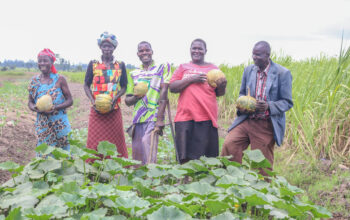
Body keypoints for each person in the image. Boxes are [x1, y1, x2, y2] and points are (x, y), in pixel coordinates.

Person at [221, 41, 293, 174]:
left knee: (261, 162)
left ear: (267, 55)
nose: (254, 57)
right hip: (247, 120)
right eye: (253, 54)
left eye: (258, 55)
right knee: (230, 145)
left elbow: (287, 102)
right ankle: (231, 180)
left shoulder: (282, 73)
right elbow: (242, 93)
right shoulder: (249, 70)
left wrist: (268, 106)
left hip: (265, 124)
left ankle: (262, 190)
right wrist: (242, 105)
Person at [169, 38, 227, 164]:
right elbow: (172, 87)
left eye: (200, 48)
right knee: (184, 154)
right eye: (194, 48)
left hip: (205, 115)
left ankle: (201, 180)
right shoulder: (183, 67)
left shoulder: (214, 69)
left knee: (204, 154)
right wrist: (191, 79)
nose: (197, 51)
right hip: (185, 115)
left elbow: (219, 93)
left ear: (205, 50)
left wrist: (222, 85)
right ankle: (185, 179)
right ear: (190, 50)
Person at [125, 41, 172, 164]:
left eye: (147, 50)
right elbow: (127, 101)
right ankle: (140, 180)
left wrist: (160, 118)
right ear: (138, 54)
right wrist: (137, 97)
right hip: (138, 118)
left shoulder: (162, 67)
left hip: (154, 115)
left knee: (148, 144)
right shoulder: (133, 74)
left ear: (152, 52)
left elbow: (164, 91)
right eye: (141, 51)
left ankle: (151, 180)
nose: (144, 53)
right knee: (138, 152)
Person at [84, 32, 128, 160]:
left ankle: (115, 166)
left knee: (116, 140)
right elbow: (86, 85)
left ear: (114, 47)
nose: (107, 49)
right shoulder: (93, 64)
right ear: (100, 47)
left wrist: (116, 97)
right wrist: (93, 101)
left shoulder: (120, 65)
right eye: (104, 46)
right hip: (97, 110)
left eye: (109, 46)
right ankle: (93, 167)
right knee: (94, 140)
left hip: (113, 109)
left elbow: (124, 86)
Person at [28, 48, 73, 153]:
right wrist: (35, 108)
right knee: (45, 153)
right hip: (43, 124)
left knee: (63, 153)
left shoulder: (60, 79)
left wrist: (55, 107)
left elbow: (70, 100)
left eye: (45, 60)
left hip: (60, 122)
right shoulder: (34, 81)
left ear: (52, 62)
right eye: (40, 61)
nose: (42, 63)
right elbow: (30, 102)